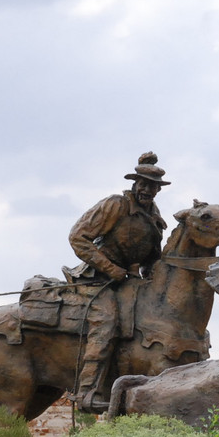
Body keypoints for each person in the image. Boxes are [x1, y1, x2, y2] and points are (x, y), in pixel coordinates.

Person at [67, 151, 170, 411]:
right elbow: (77, 237)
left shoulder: (154, 217)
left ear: (158, 189)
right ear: (135, 183)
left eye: (153, 186)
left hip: (130, 282)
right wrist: (110, 267)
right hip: (97, 280)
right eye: (143, 184)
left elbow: (151, 256)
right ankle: (87, 392)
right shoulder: (115, 205)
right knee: (107, 321)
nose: (147, 189)